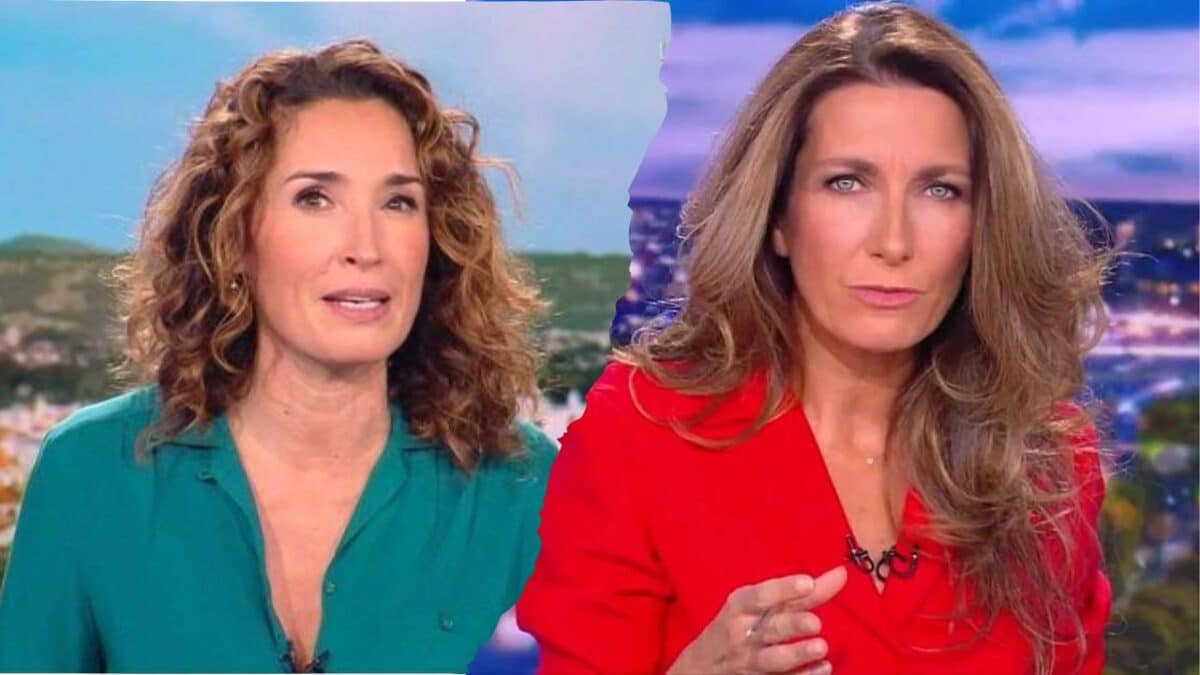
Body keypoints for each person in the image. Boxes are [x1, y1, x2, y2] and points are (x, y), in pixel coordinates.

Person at [517, 4, 1111, 674]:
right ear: (778, 218)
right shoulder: (641, 432)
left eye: (940, 190)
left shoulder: (1047, 464)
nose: (893, 241)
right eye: (847, 183)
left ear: (982, 226)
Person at [0, 39, 555, 673]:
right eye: (315, 198)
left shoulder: (523, 486)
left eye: (398, 202)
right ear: (234, 237)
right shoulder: (89, 471)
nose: (366, 247)